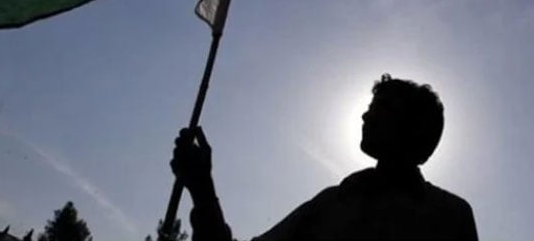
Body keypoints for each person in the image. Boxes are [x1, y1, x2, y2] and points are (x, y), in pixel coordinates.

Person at [170, 74, 478, 241]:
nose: (365, 115)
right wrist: (202, 189)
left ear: (416, 129)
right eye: (371, 106)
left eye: (383, 107)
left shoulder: (450, 215)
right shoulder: (330, 205)